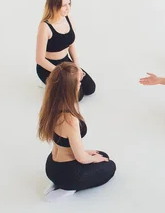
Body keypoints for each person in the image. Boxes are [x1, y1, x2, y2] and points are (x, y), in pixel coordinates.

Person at [37, 62, 115, 201]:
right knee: (109, 165)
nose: (81, 83)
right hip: (68, 172)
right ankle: (67, 188)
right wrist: (91, 158)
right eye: (79, 81)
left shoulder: (52, 106)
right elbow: (81, 159)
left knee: (101, 155)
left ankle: (58, 183)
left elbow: (67, 145)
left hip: (52, 165)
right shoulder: (69, 119)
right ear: (70, 87)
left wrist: (90, 154)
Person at [35, 0, 96, 101]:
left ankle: (61, 84)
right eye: (64, 5)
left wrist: (77, 68)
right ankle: (49, 86)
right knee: (78, 96)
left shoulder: (68, 19)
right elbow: (39, 59)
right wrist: (63, 74)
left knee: (90, 88)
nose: (68, 8)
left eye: (69, 3)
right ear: (54, 5)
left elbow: (71, 45)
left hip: (66, 62)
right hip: (48, 67)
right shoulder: (45, 26)